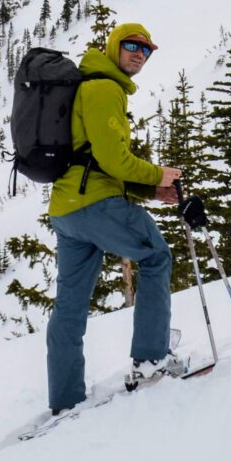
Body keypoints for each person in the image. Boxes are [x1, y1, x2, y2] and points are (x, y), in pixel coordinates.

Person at [46, 22, 187, 414]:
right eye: (131, 46)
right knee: (156, 257)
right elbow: (113, 160)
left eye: (146, 50)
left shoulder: (91, 85)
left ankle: (64, 397)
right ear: (114, 46)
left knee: (70, 306)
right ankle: (151, 362)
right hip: (95, 204)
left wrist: (149, 191)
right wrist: (159, 175)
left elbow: (94, 161)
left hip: (68, 209)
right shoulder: (104, 88)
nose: (139, 54)